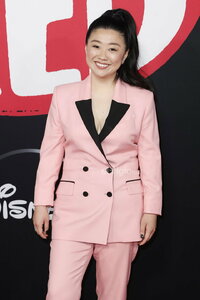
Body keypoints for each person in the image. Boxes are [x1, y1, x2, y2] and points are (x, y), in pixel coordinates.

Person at [33, 8, 162, 300]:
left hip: (122, 209)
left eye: (113, 48)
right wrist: (42, 202)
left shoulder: (142, 100)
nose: (102, 55)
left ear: (125, 54)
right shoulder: (63, 95)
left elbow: (150, 157)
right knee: (59, 293)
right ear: (86, 47)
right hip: (72, 209)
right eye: (96, 45)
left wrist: (151, 209)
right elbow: (51, 153)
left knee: (113, 294)